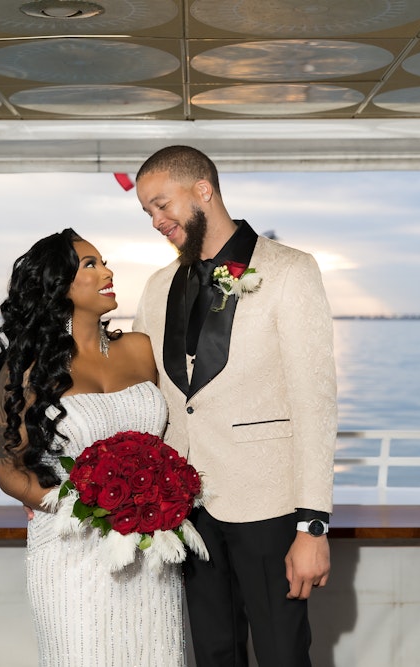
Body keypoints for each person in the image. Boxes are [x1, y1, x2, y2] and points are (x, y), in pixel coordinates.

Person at [132, 146, 337, 667]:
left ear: (203, 190)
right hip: (186, 509)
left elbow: (314, 403)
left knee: (282, 654)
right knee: (213, 653)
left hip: (268, 505)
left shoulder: (290, 270)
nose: (156, 221)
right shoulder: (157, 287)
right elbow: (139, 395)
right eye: (147, 211)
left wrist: (312, 526)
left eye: (161, 204)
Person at [0, 229, 185, 667]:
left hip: (149, 546)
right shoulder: (27, 370)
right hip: (70, 548)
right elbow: (5, 465)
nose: (107, 272)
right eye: (90, 265)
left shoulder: (141, 349)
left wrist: (161, 496)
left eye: (103, 261)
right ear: (58, 285)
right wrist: (75, 505)